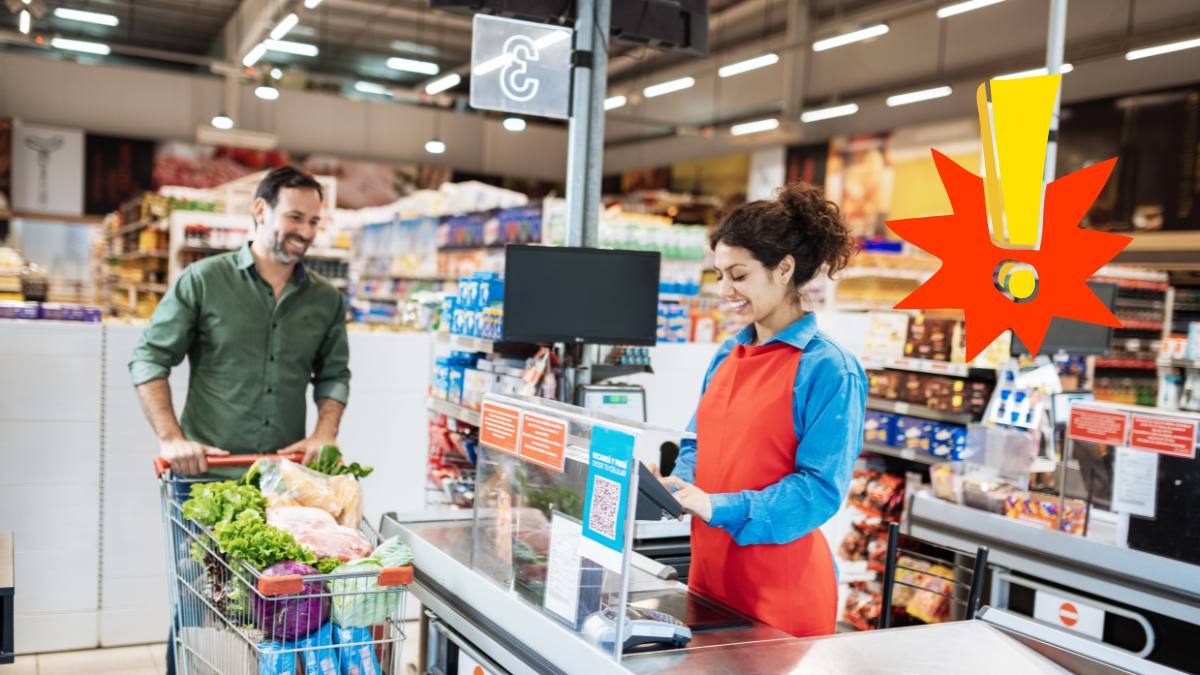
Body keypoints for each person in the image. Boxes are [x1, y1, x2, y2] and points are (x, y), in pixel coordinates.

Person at [129, 165, 351, 674]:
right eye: (295, 216)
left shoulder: (324, 298)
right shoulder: (204, 281)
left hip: (285, 485)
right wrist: (171, 438)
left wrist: (324, 433)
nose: (306, 231)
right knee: (200, 603)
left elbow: (334, 375)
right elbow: (148, 359)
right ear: (260, 210)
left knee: (283, 611)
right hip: (205, 479)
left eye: (315, 221)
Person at [659, 182, 866, 638]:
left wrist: (719, 506)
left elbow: (818, 490)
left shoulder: (829, 368)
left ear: (784, 269)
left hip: (781, 593)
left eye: (738, 275)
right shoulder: (728, 353)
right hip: (711, 578)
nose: (725, 290)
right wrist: (680, 482)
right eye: (718, 276)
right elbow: (699, 441)